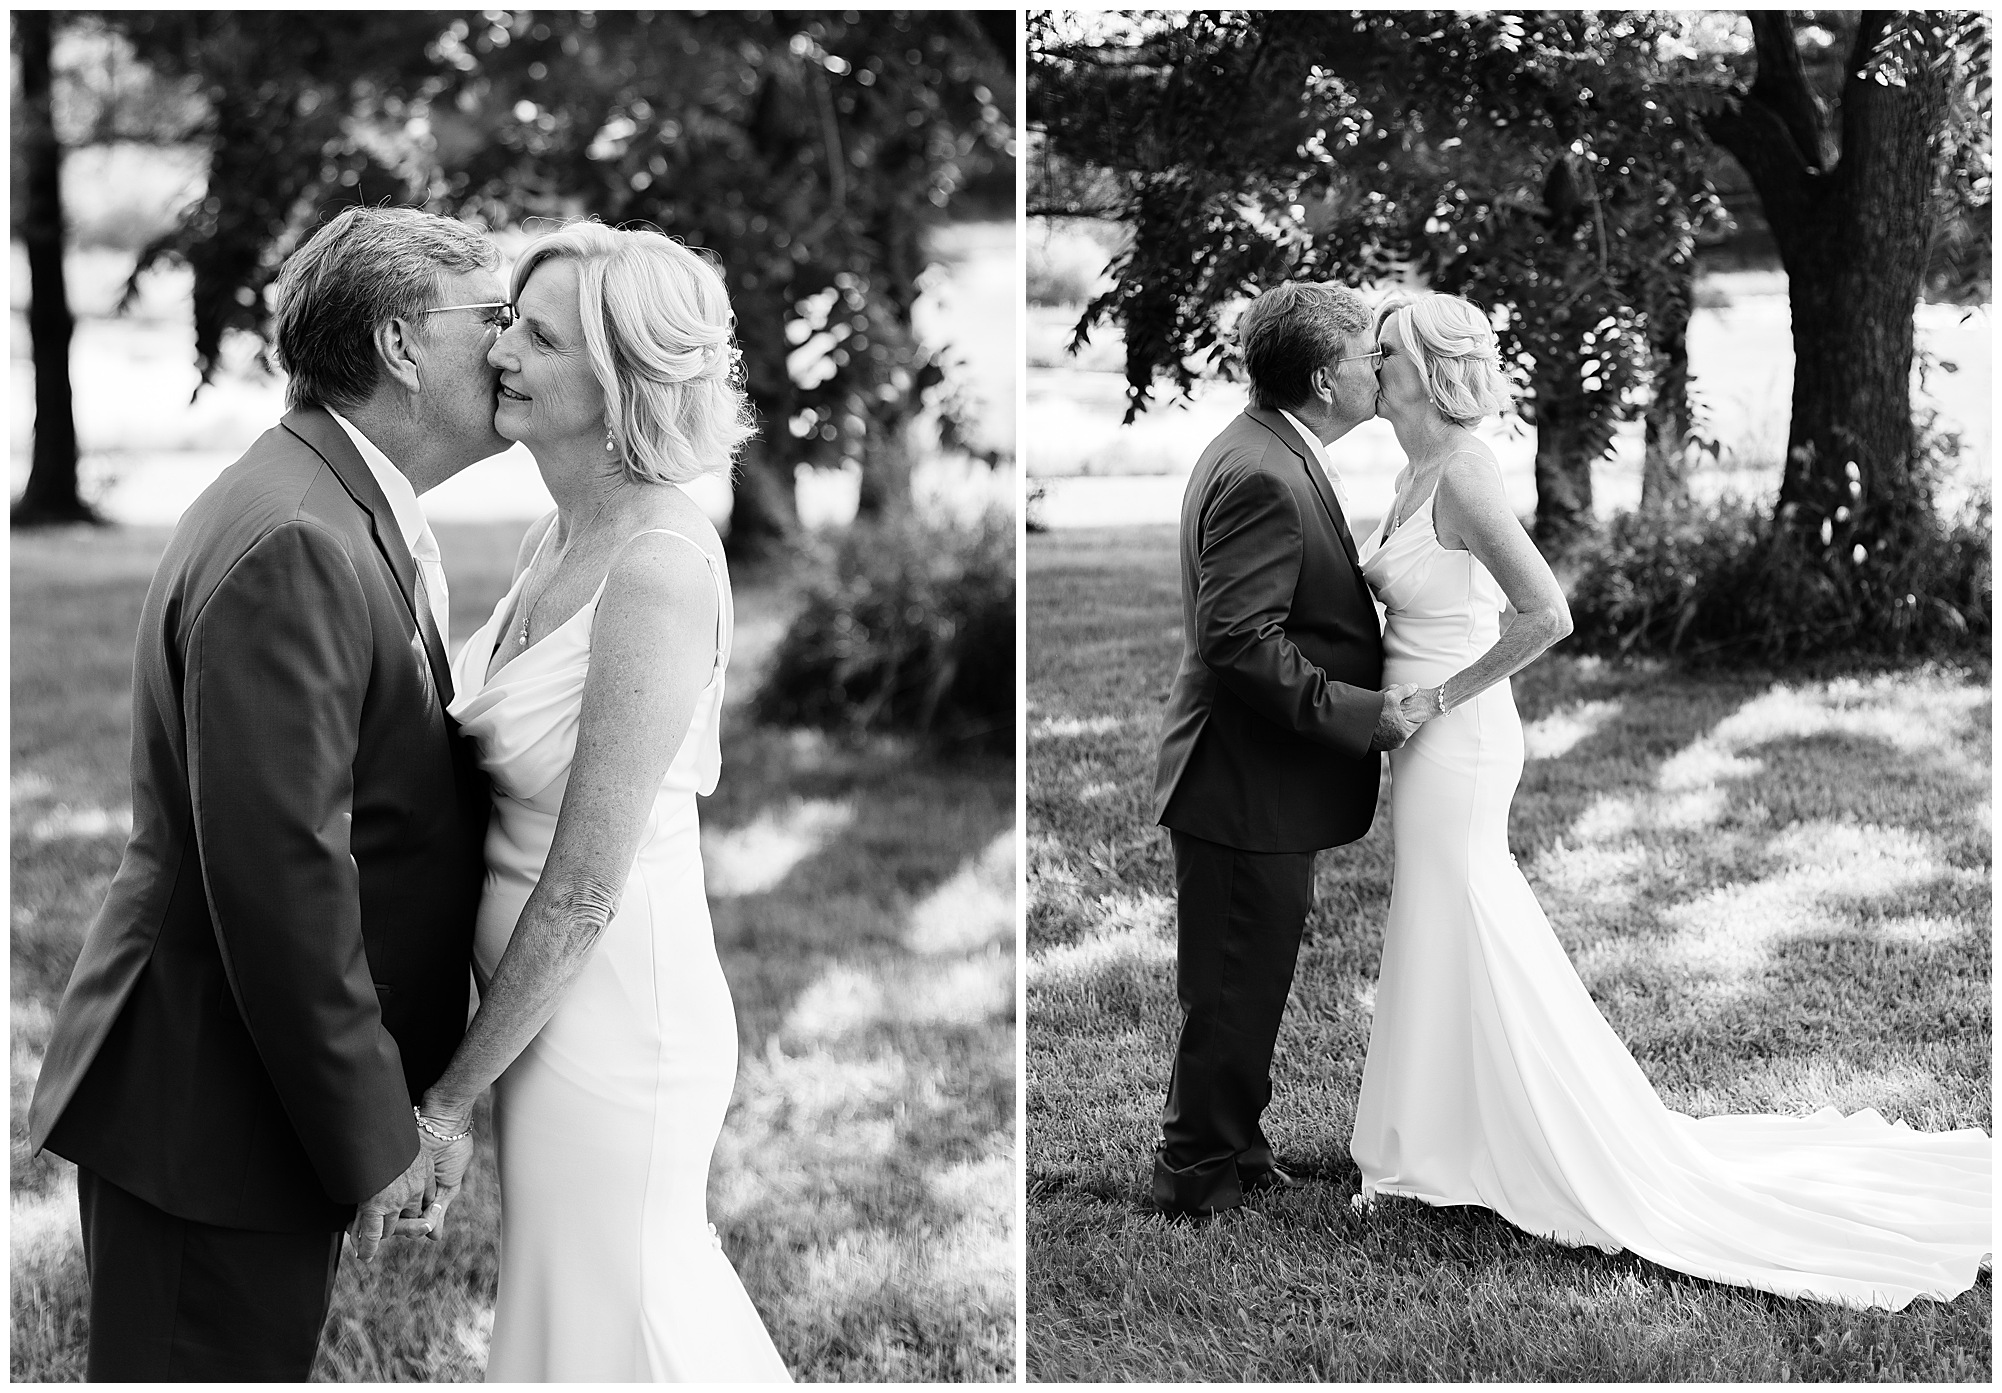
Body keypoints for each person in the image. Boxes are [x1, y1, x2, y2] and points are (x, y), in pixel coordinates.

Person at [1350, 290, 1992, 1310]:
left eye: (1383, 349)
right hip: (1421, 739)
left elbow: (1546, 614)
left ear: (1426, 371)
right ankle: (1437, 1138)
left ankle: (1501, 1140)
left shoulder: (1465, 473)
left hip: (1459, 736)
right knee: (1438, 921)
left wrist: (1430, 698)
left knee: (1463, 911)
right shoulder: (1407, 473)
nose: (1370, 362)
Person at [26, 205, 505, 1379]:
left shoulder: (330, 498)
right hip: (211, 1104)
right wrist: (373, 1130)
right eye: (493, 317)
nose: (510, 347)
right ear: (401, 342)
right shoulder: (299, 535)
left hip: (242, 1091)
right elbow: (281, 877)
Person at [410, 220, 791, 1380]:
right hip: (535, 1013)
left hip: (619, 1017)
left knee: (628, 1310)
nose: (499, 353)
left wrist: (445, 1103)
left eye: (540, 338)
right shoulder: (561, 528)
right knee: (571, 1308)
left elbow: (582, 890)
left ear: (623, 378)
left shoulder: (658, 566)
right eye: (509, 325)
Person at [1148, 280, 1420, 1217]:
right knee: (1231, 981)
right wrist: (1360, 713)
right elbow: (1238, 640)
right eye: (1367, 355)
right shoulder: (1264, 470)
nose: (1379, 367)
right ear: (1323, 378)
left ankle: (1236, 1144)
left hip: (1255, 774)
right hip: (1240, 776)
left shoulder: (1272, 446)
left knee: (1249, 975)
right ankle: (1195, 1172)